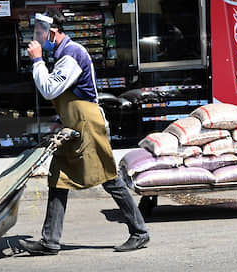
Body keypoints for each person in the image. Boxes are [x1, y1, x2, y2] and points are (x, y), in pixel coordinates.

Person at [18, 10, 149, 255]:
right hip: (73, 126)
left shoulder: (71, 54)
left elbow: (49, 89)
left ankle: (139, 232)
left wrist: (37, 61)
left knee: (109, 178)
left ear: (54, 33)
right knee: (58, 180)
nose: (37, 39)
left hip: (87, 125)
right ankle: (49, 241)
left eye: (41, 34)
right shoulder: (61, 55)